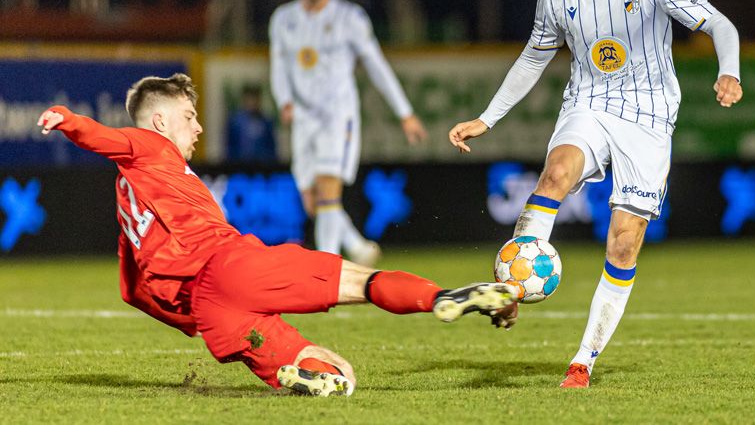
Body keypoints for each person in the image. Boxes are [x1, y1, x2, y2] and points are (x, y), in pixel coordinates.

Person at [36, 73, 516, 397]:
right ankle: (441, 297)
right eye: (188, 117)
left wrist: (191, 318)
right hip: (232, 268)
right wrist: (69, 119)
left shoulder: (131, 199)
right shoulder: (150, 147)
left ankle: (310, 376)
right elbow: (107, 138)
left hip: (212, 313)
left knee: (340, 375)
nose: (198, 127)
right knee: (363, 282)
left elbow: (135, 290)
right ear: (160, 121)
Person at [448, 0, 742, 389]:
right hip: (589, 102)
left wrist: (728, 72)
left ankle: (583, 359)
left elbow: (718, 23)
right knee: (555, 173)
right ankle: (513, 289)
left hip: (648, 115)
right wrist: (487, 118)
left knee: (624, 242)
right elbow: (533, 58)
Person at [269, 0, 427, 267]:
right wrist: (284, 100)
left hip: (336, 115)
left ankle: (327, 267)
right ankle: (357, 245)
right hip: (302, 118)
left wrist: (405, 112)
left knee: (328, 189)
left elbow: (376, 65)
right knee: (313, 201)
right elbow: (278, 65)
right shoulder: (283, 19)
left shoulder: (349, 17)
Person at [226, 83, 277, 164]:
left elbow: (272, 147)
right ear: (244, 100)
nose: (252, 103)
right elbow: (230, 147)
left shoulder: (266, 121)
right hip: (239, 165)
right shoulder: (235, 122)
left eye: (255, 99)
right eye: (249, 99)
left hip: (262, 166)